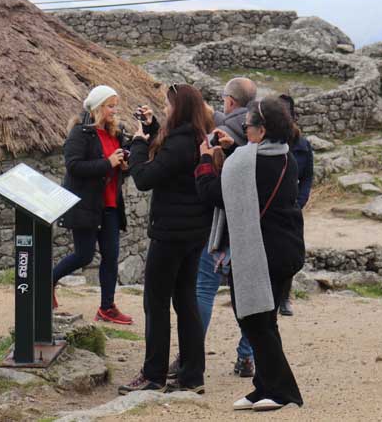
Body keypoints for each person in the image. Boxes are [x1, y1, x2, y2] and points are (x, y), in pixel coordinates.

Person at [196, 96, 305, 411]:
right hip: (285, 250)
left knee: (255, 322)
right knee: (262, 322)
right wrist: (233, 150)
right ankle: (264, 387)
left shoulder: (248, 162)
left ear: (262, 129)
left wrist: (205, 161)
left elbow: (214, 194)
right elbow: (251, 181)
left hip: (260, 254)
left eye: (247, 126)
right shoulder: (284, 155)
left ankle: (284, 392)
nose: (244, 130)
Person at [118, 83, 214, 395]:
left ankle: (153, 374)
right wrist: (152, 127)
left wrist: (138, 143)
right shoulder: (197, 137)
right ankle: (192, 375)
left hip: (171, 234)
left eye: (168, 105)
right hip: (193, 233)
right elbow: (171, 156)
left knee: (156, 302)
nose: (165, 109)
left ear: (180, 108)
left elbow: (145, 178)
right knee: (185, 301)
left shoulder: (180, 144)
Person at [176, 77, 258, 379]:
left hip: (219, 224)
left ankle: (190, 356)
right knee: (248, 296)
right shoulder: (259, 133)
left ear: (231, 101)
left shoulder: (220, 132)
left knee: (204, 289)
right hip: (252, 226)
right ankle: (247, 356)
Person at [55, 85, 133, 325]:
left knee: (111, 257)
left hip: (110, 205)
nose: (114, 110)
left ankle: (107, 308)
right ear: (97, 107)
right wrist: (107, 163)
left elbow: (117, 169)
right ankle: (46, 281)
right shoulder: (80, 133)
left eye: (115, 106)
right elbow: (74, 166)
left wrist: (124, 167)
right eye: (110, 106)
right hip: (86, 206)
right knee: (84, 255)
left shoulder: (115, 133)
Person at [277, 94, 314, 317]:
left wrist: (300, 202)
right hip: (270, 208)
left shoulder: (303, 145)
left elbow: (308, 177)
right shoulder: (267, 143)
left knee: (289, 253)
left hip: (292, 209)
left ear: (293, 116)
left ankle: (285, 298)